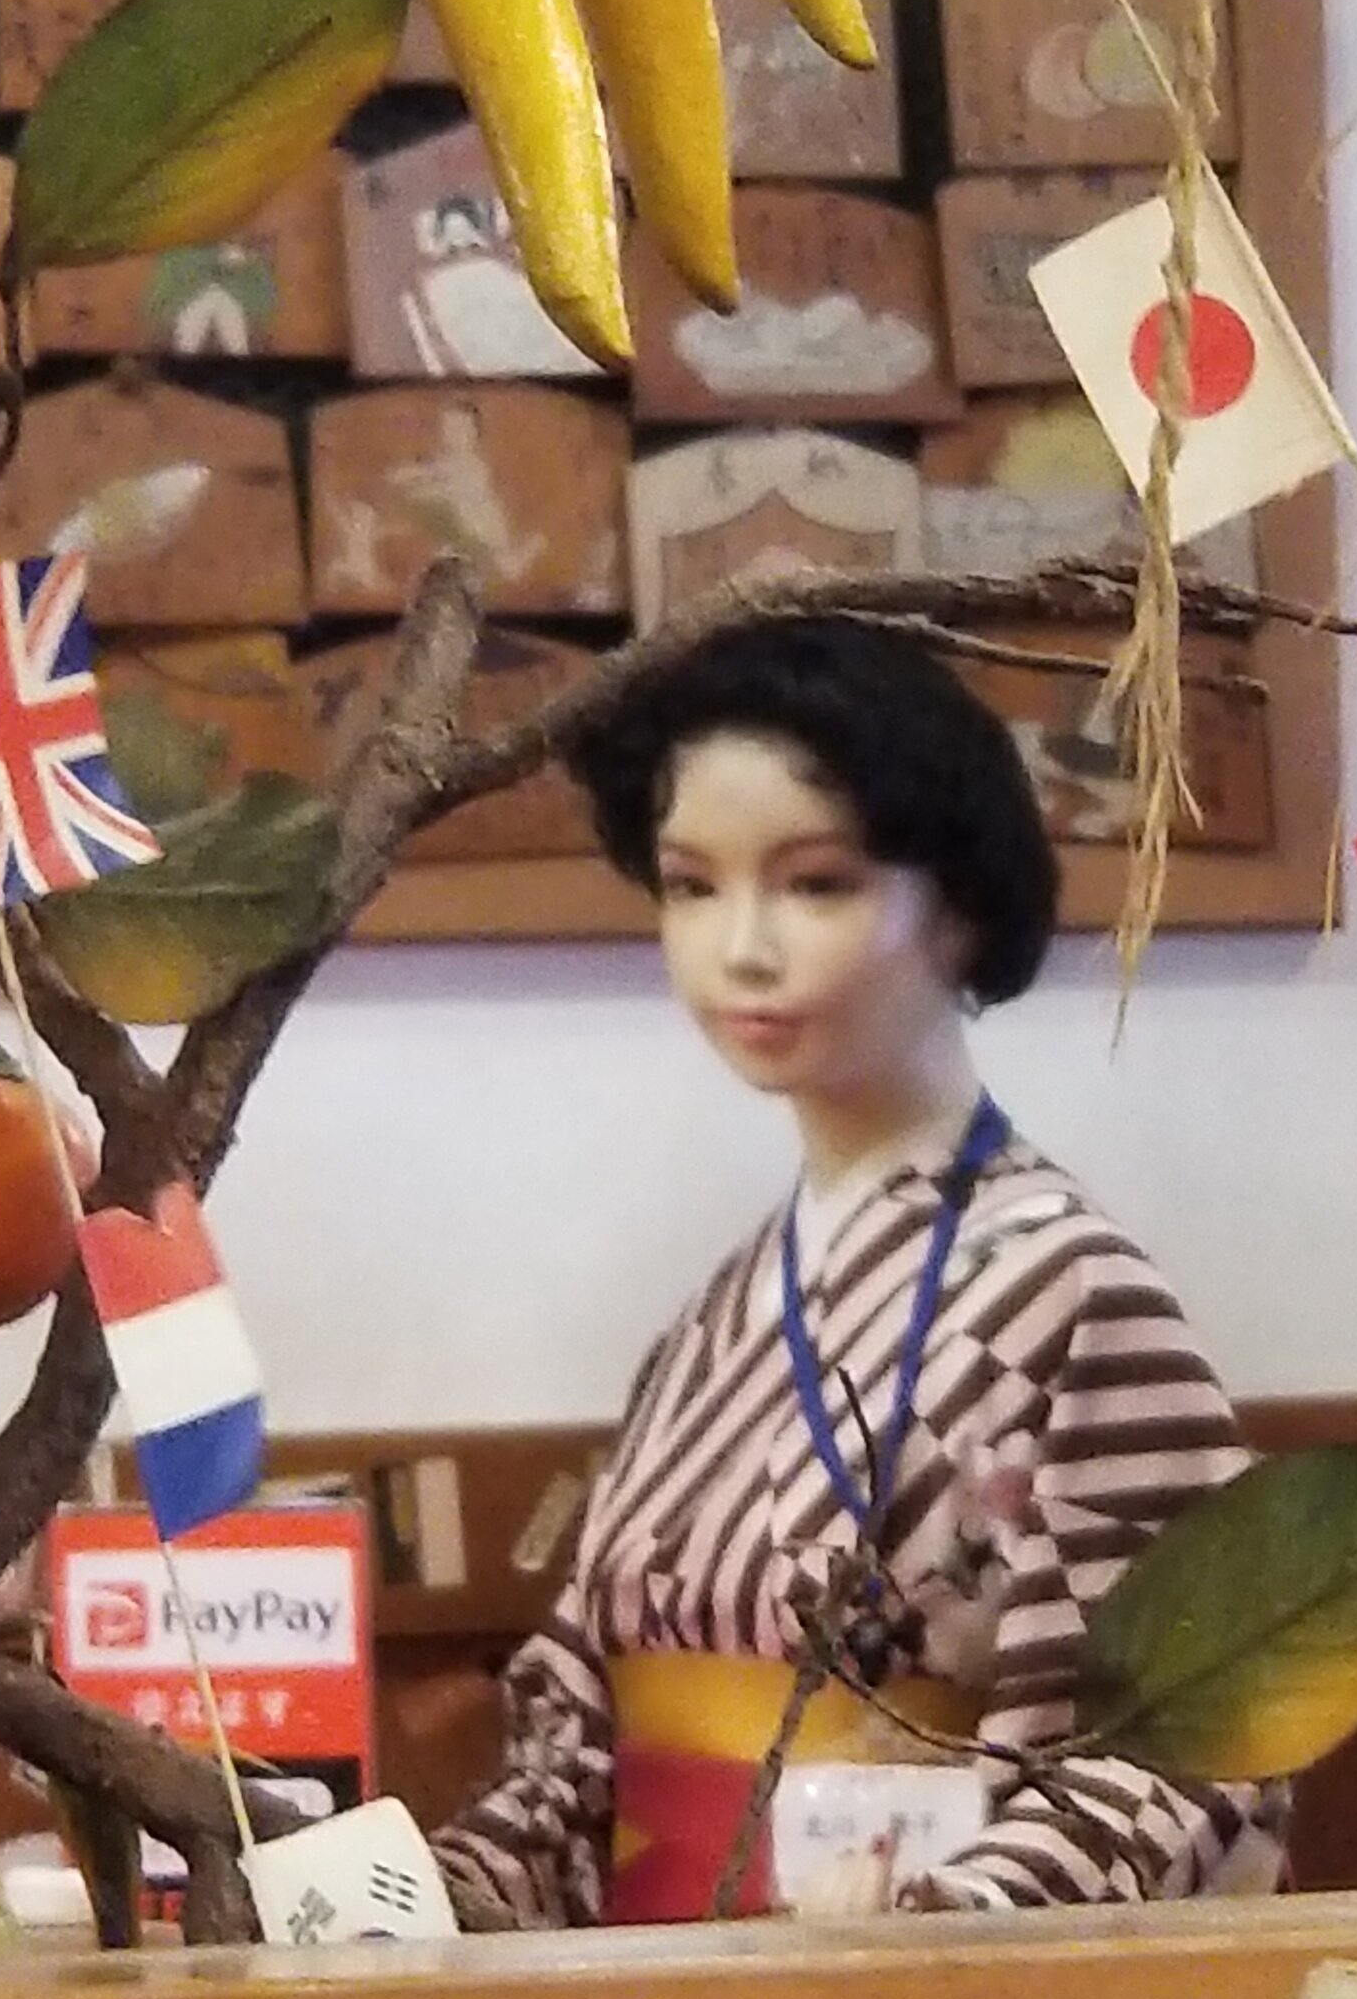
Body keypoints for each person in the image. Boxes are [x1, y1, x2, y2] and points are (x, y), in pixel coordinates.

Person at [431, 614, 1284, 1928]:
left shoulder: (1072, 1290)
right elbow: (574, 1757)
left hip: (918, 1995)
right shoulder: (715, 1319)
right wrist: (417, 1897)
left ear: (959, 906)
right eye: (691, 886)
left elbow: (1178, 1747)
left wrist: (934, 1924)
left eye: (815, 883)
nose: (741, 948)